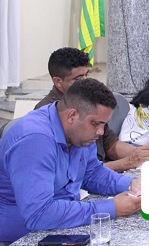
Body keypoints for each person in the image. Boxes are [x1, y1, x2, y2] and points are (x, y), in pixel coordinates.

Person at [0, 78, 141, 244]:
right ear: (72, 115)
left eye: (103, 125)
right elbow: (39, 213)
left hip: (61, 225)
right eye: (96, 124)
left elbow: (91, 173)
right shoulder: (35, 140)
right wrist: (112, 208)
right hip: (21, 237)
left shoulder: (79, 133)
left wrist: (131, 184)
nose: (101, 132)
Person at [34, 47, 149, 173]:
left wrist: (142, 153)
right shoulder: (50, 113)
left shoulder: (90, 99)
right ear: (58, 82)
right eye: (78, 78)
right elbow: (76, 172)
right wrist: (128, 162)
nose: (85, 81)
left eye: (86, 75)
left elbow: (111, 144)